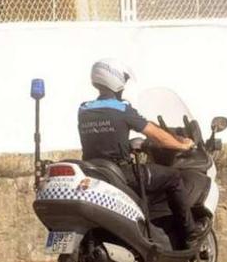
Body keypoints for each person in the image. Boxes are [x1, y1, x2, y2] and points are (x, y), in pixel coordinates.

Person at [77, 58, 208, 248]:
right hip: (122, 174)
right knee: (173, 178)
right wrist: (182, 145)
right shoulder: (122, 109)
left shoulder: (84, 109)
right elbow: (158, 137)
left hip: (95, 171)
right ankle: (189, 232)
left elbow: (104, 137)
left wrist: (127, 145)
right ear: (116, 80)